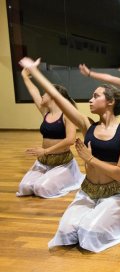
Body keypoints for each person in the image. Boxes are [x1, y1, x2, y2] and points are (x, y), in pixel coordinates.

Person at [19, 57, 120, 252]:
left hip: (115, 194)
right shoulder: (87, 125)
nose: (90, 99)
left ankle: (118, 217)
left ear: (110, 102)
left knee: (89, 235)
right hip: (88, 191)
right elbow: (57, 96)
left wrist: (90, 159)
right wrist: (35, 72)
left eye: (95, 96)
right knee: (65, 233)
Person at [16, 68, 84, 198]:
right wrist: (24, 76)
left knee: (41, 188)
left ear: (53, 96)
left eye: (45, 94)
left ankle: (68, 177)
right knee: (24, 188)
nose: (42, 96)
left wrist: (46, 151)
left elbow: (70, 140)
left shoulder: (67, 115)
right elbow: (33, 91)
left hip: (62, 162)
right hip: (43, 161)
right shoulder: (45, 112)